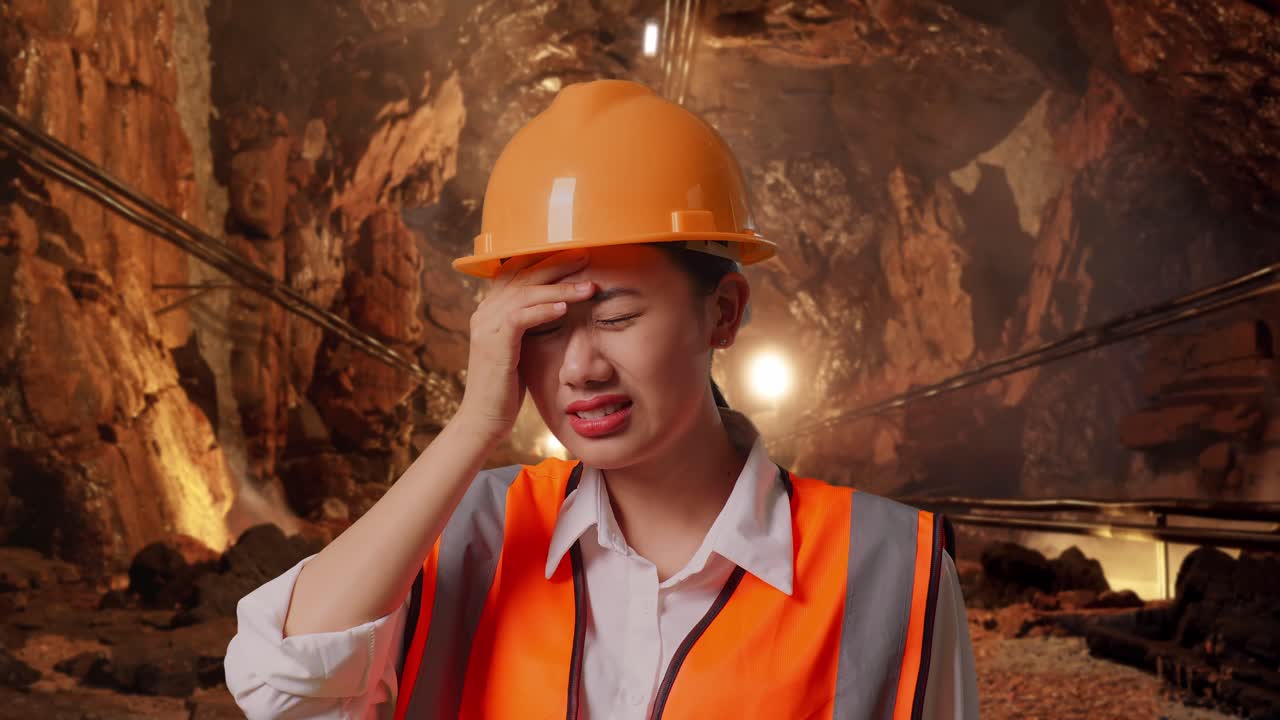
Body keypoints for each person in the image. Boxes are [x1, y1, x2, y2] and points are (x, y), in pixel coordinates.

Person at [224, 79, 979, 719]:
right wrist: (471, 428)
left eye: (616, 316)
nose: (581, 367)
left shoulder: (888, 568)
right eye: (545, 327)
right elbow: (277, 685)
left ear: (722, 313)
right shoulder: (469, 534)